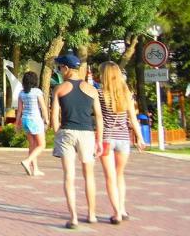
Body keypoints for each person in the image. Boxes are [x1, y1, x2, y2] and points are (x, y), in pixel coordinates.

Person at [51, 53, 104, 230]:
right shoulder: (92, 89)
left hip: (67, 132)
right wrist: (100, 140)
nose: (60, 70)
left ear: (66, 68)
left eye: (60, 68)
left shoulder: (59, 89)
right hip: (87, 133)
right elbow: (99, 117)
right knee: (89, 175)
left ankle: (73, 217)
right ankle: (92, 214)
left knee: (69, 176)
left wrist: (58, 133)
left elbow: (54, 118)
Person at [98, 61, 146, 224]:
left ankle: (116, 212)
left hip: (106, 138)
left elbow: (98, 118)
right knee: (119, 175)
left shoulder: (100, 93)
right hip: (123, 138)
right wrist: (139, 137)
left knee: (109, 177)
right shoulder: (127, 93)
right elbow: (133, 118)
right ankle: (123, 208)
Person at [17, 72, 49, 177]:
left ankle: (35, 169)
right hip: (35, 120)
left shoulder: (21, 93)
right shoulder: (37, 92)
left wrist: (17, 122)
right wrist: (46, 119)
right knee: (41, 145)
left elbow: (19, 110)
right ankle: (27, 161)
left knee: (32, 145)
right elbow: (43, 107)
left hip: (25, 119)